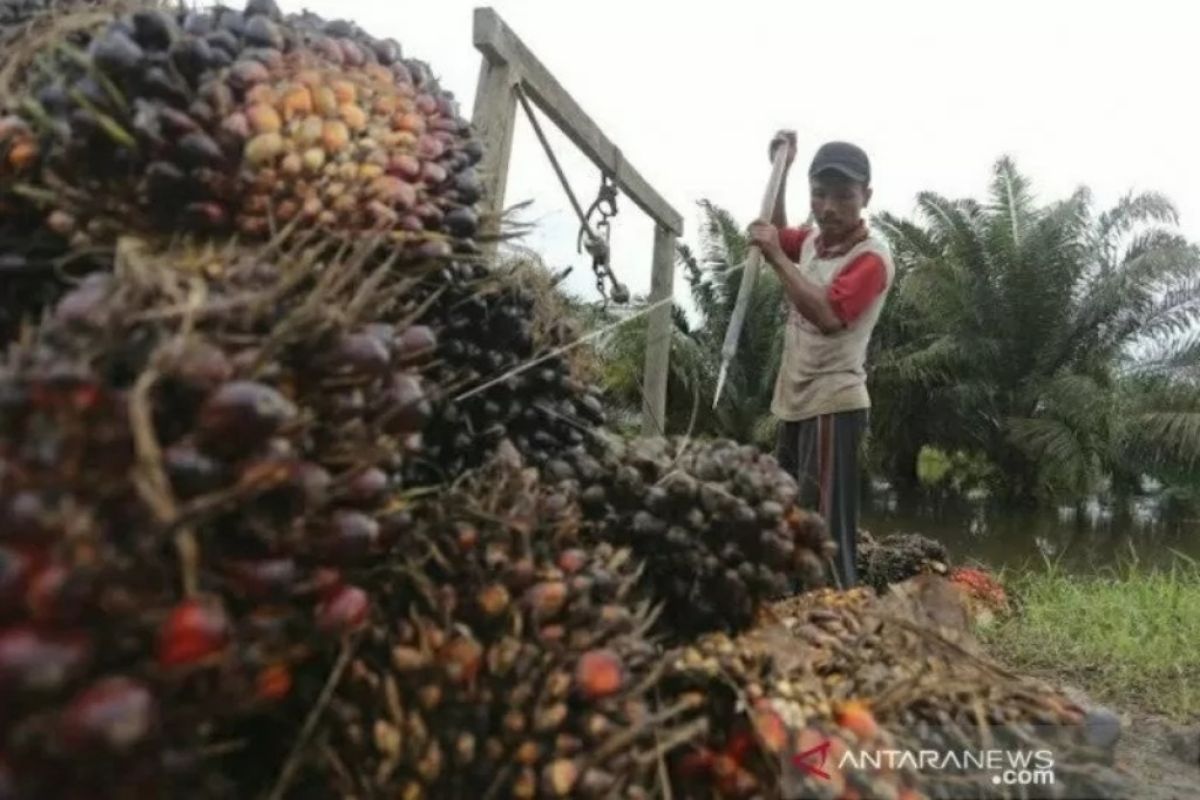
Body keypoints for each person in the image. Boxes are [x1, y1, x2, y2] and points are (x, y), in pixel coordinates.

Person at [746, 132, 894, 589]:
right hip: (795, 402)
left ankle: (837, 620)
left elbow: (829, 314)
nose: (828, 207)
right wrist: (782, 170)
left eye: (843, 196)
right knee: (788, 514)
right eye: (819, 195)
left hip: (834, 404)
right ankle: (797, 613)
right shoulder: (812, 243)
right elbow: (778, 228)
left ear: (866, 197)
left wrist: (773, 255)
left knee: (825, 530)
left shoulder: (872, 257)